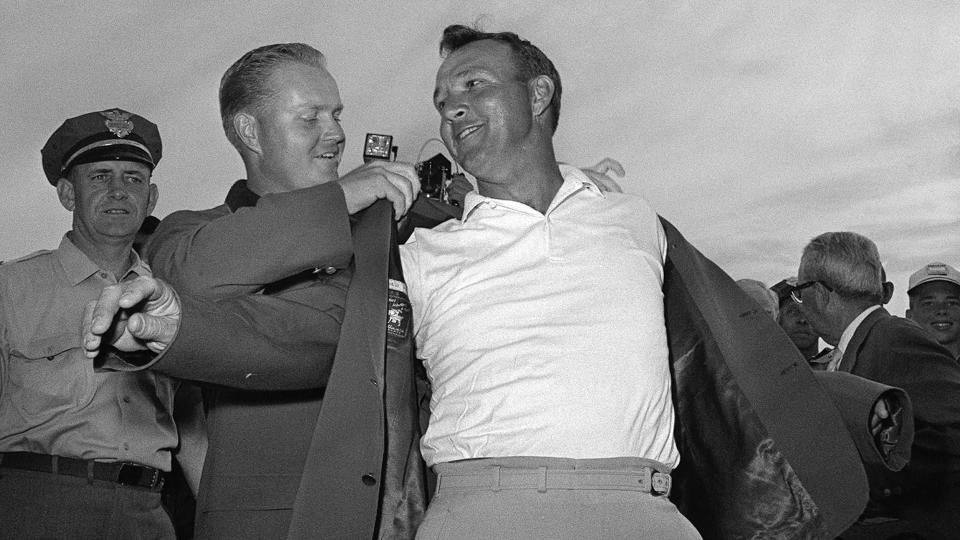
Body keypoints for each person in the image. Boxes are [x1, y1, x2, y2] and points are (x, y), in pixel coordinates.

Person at [396, 24, 894, 538]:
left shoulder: (636, 222)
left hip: (644, 509)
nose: (451, 109)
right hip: (485, 514)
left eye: (473, 85)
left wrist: (856, 413)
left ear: (538, 93)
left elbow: (729, 358)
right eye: (442, 100)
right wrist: (331, 210)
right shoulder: (420, 253)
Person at [85, 44, 426, 539]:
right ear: (250, 132)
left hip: (396, 519)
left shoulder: (385, 235)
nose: (335, 134)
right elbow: (190, 280)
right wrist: (339, 199)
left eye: (336, 115)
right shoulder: (194, 233)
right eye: (310, 117)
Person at [0, 108, 199, 539]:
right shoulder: (10, 287)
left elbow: (193, 430)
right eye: (100, 177)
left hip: (147, 513)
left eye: (133, 179)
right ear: (68, 194)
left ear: (151, 199)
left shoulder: (171, 304)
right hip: (37, 506)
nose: (118, 191)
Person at [795, 231, 960, 538]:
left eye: (799, 292)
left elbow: (950, 438)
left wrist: (877, 495)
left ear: (821, 293)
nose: (800, 304)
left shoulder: (895, 340)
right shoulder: (866, 342)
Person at [906, 261, 960, 360]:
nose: (942, 310)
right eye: (929, 304)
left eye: (951, 303)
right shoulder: (894, 368)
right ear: (909, 316)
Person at [771, 276, 828, 366]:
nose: (802, 320)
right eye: (793, 311)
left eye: (811, 311)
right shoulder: (758, 370)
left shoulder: (841, 367)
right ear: (777, 317)